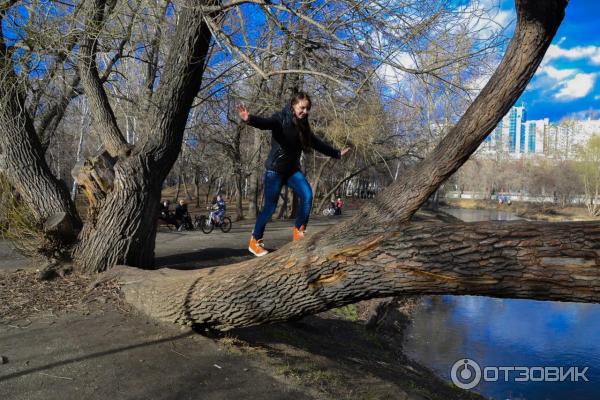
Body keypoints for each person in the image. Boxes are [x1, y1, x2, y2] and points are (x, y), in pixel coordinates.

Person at [238, 92, 350, 257]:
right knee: (269, 208)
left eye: (307, 109)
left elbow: (316, 143)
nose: (305, 111)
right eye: (302, 108)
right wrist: (250, 119)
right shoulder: (280, 118)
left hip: (291, 170)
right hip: (274, 170)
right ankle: (255, 241)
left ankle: (299, 231)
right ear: (293, 105)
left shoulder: (304, 126)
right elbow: (266, 123)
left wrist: (336, 153)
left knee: (307, 194)